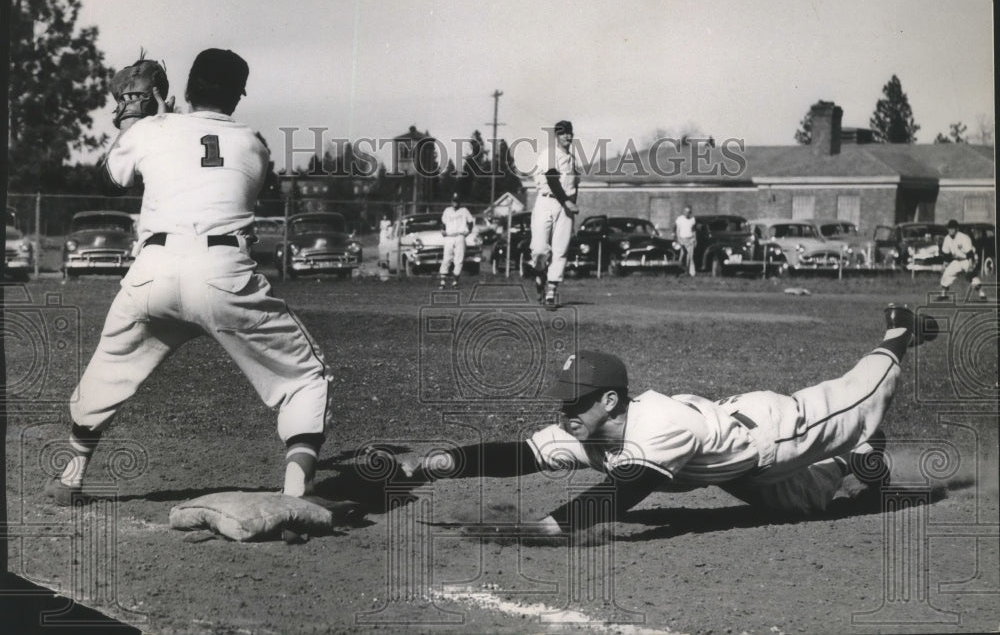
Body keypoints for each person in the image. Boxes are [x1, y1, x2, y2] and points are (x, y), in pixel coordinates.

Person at [44, 48, 333, 506]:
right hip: (222, 273)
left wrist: (132, 123)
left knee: (109, 369)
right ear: (238, 95)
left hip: (150, 273)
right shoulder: (253, 143)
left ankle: (70, 476)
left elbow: (110, 178)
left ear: (186, 87)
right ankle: (297, 494)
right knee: (303, 377)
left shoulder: (151, 129)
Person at [395, 303, 931, 537]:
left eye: (574, 402)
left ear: (608, 401)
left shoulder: (658, 425)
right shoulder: (590, 430)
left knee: (864, 393)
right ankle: (857, 455)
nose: (564, 412)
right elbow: (520, 455)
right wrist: (440, 462)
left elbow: (624, 492)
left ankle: (898, 331)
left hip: (775, 429)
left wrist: (550, 525)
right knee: (811, 506)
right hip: (739, 472)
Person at [530, 120, 580, 307]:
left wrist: (571, 206)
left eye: (569, 133)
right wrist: (566, 201)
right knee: (539, 249)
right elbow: (552, 178)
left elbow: (575, 186)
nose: (567, 136)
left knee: (560, 249)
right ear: (556, 136)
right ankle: (539, 271)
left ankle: (551, 292)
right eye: (562, 133)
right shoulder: (549, 153)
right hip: (546, 200)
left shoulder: (573, 160)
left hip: (565, 208)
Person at [939, 219, 987, 301]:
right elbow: (947, 255)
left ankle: (982, 294)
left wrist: (971, 266)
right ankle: (943, 295)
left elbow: (970, 254)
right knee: (947, 273)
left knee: (970, 276)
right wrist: (944, 265)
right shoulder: (947, 239)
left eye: (953, 228)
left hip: (968, 259)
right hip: (957, 260)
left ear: (957, 229)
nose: (951, 230)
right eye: (949, 228)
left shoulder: (963, 237)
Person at [439, 192, 474, 288]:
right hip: (449, 236)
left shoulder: (464, 210)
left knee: (459, 259)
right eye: (454, 201)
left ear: (460, 202)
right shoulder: (447, 210)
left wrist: (468, 232)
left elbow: (471, 222)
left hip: (460, 236)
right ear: (451, 201)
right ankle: (442, 282)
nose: (455, 203)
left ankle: (455, 282)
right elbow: (443, 222)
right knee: (446, 258)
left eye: (457, 201)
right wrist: (442, 230)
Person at [674, 205, 697, 277]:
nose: (687, 213)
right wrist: (679, 240)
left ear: (690, 212)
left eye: (689, 212)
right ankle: (678, 271)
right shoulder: (679, 219)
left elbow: (693, 230)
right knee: (682, 255)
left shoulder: (693, 219)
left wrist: (695, 239)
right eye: (686, 212)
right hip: (682, 239)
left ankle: (688, 272)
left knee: (690, 256)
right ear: (683, 212)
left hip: (690, 239)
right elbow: (677, 231)